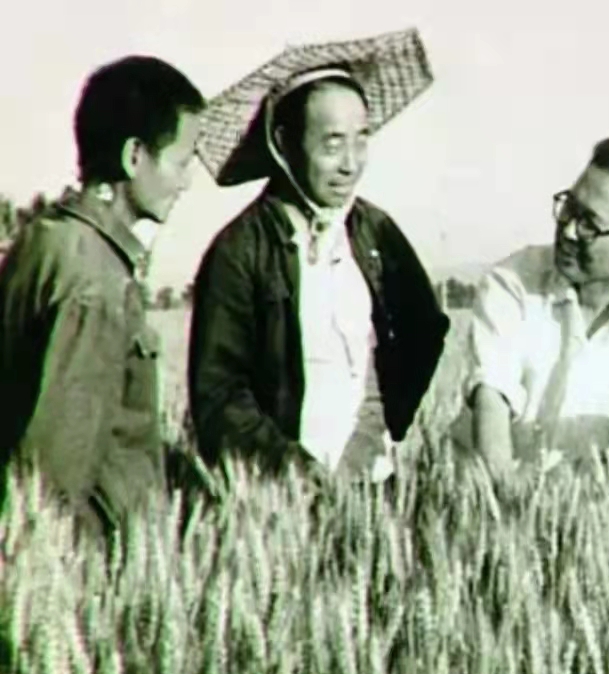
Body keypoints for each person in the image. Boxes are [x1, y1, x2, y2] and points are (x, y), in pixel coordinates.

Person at [187, 66, 449, 487]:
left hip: (375, 487)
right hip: (283, 494)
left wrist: (390, 421)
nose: (350, 164)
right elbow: (218, 396)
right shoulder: (239, 251)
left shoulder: (374, 231)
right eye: (332, 144)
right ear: (283, 143)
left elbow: (425, 329)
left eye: (361, 139)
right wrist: (297, 470)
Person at [0, 55, 205, 543]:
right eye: (181, 162)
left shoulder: (43, 239)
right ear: (135, 156)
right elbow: (54, 476)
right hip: (92, 558)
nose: (186, 182)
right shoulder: (96, 282)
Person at [450, 138, 609, 481]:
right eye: (569, 208)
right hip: (483, 494)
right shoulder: (512, 281)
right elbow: (492, 393)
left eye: (589, 225)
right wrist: (502, 492)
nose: (568, 231)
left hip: (596, 507)